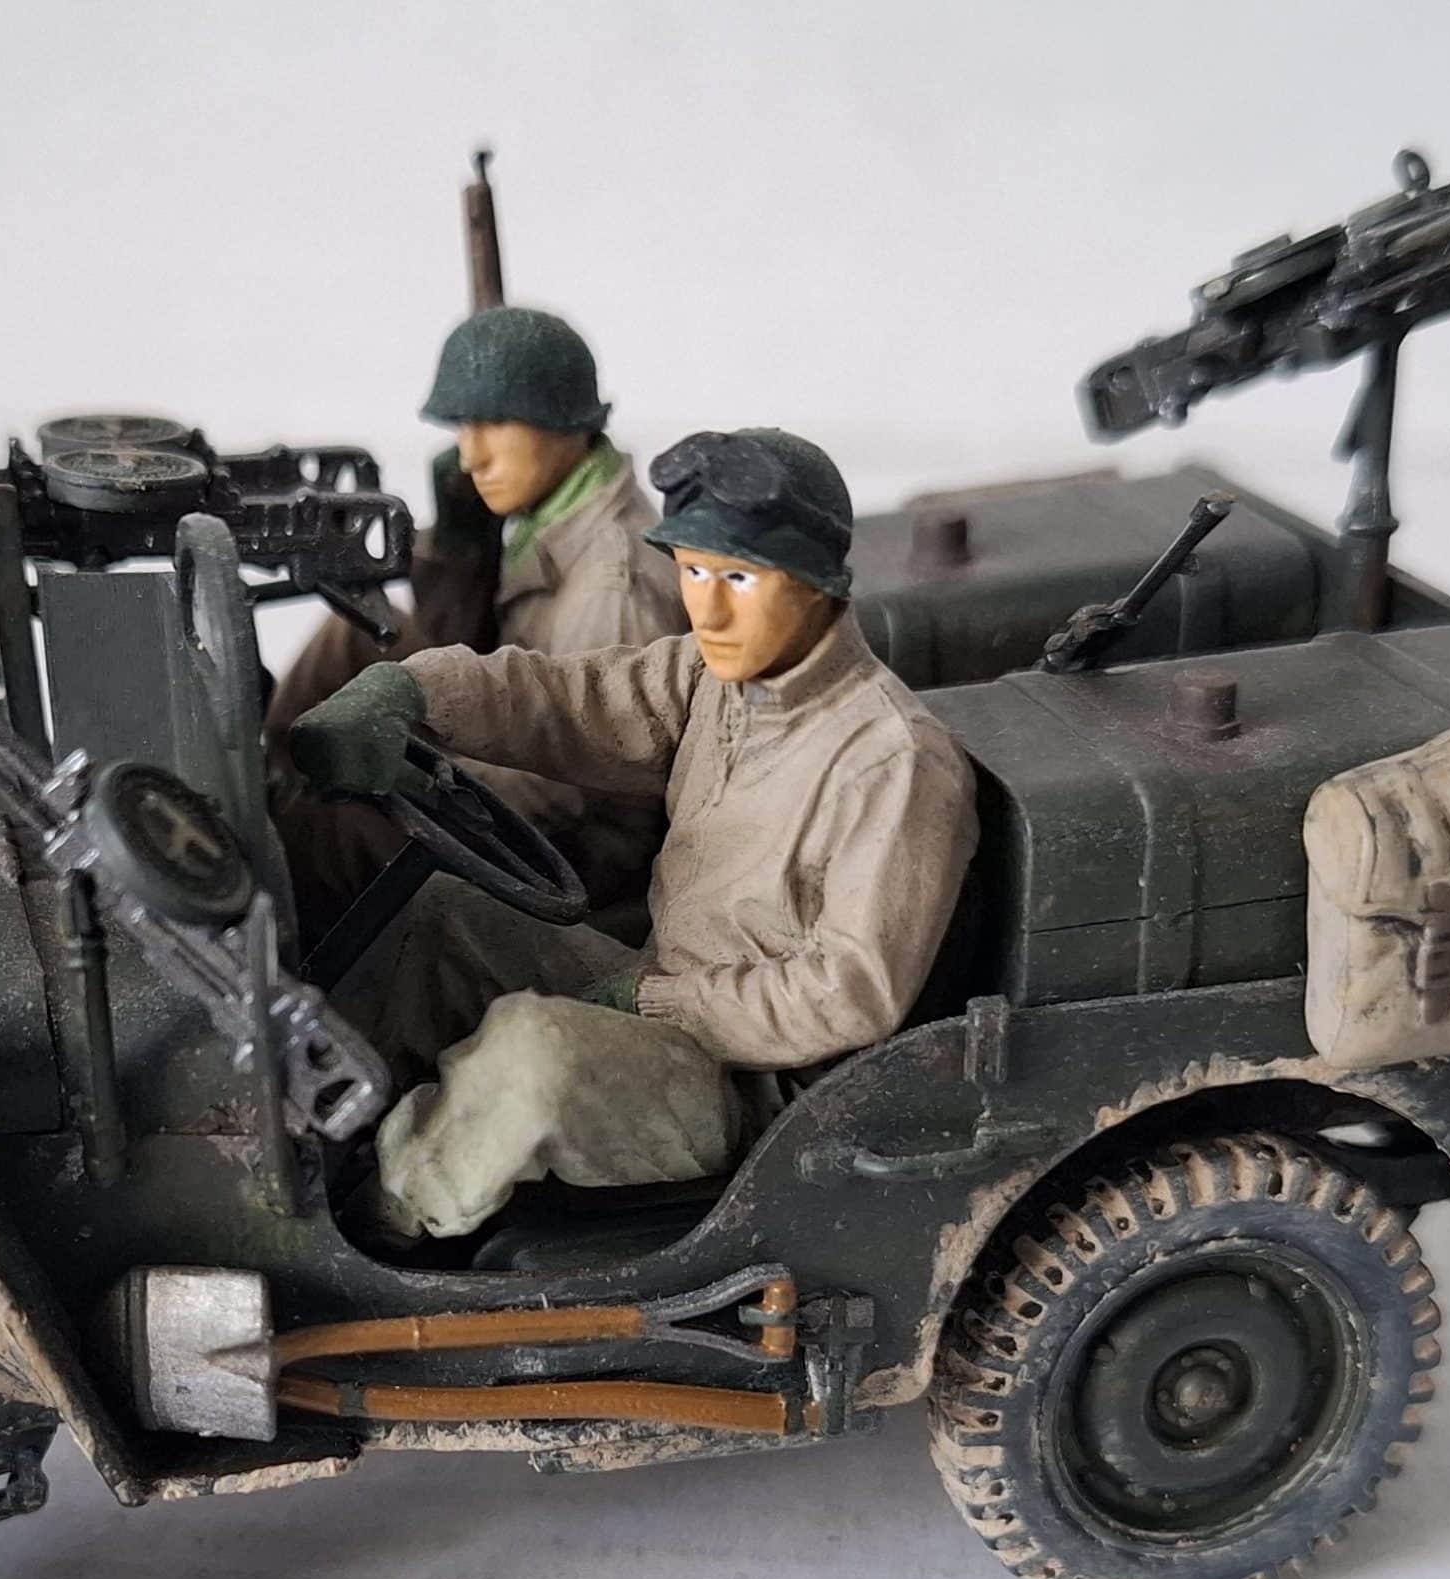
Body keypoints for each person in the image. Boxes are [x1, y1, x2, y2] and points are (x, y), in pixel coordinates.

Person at [294, 428, 977, 1241]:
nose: (708, 607)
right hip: (667, 999)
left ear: (817, 584)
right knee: (442, 916)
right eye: (692, 570)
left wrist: (656, 1000)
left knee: (533, 1050)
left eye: (737, 578)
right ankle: (311, 1130)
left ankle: (382, 1229)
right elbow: (569, 698)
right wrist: (417, 692)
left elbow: (849, 993)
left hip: (762, 1095)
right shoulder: (716, 678)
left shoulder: (894, 760)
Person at [269, 306, 686, 930]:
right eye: (464, 426)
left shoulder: (612, 585)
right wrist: (460, 550)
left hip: (575, 845)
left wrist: (411, 772)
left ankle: (292, 887)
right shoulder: (547, 515)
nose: (471, 456)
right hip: (523, 739)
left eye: (494, 423)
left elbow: (582, 787)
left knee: (330, 830)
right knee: (352, 635)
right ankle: (271, 775)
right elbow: (464, 640)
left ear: (563, 420)